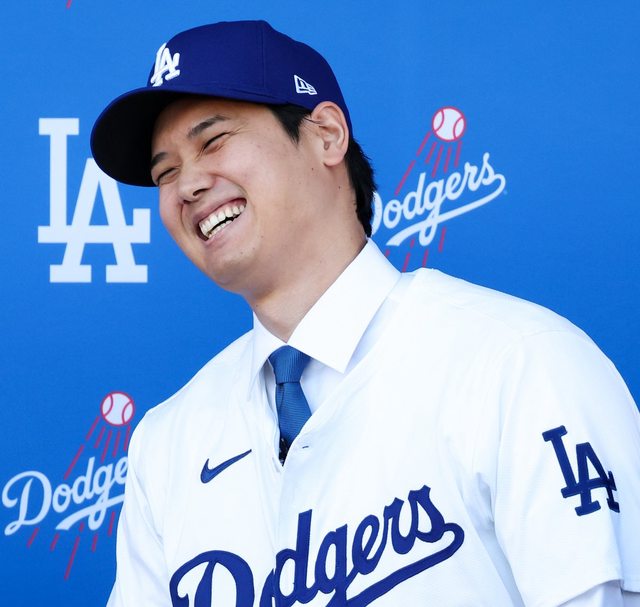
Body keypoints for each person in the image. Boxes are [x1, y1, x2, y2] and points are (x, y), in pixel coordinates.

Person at [90, 20, 640, 607]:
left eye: (214, 141)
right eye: (166, 172)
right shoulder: (166, 441)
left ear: (326, 135)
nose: (188, 186)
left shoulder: (519, 363)